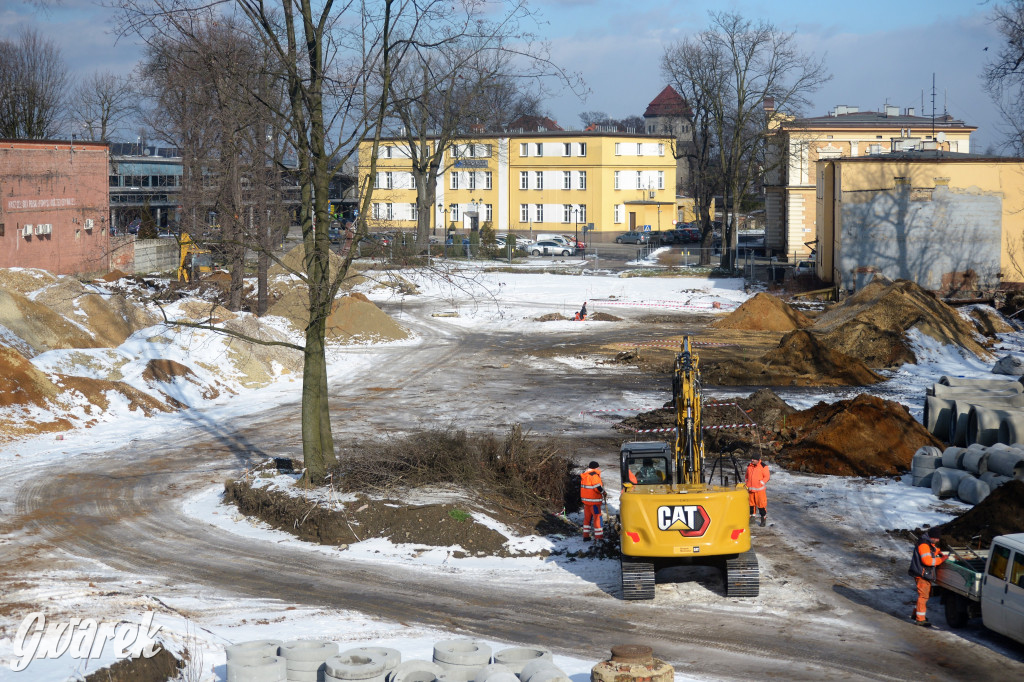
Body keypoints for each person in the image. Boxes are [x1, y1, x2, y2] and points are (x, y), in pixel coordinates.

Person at [908, 528, 949, 627]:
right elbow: (928, 561)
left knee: (923, 595)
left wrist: (938, 552)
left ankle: (916, 614)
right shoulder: (924, 545)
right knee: (923, 596)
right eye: (937, 538)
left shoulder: (926, 543)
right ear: (932, 537)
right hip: (922, 574)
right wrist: (941, 559)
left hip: (922, 573)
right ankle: (920, 619)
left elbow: (931, 551)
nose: (938, 540)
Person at [579, 461, 605, 541]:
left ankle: (586, 536)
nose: (599, 468)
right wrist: (603, 492)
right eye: (598, 467)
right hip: (594, 502)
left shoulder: (585, 475)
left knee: (587, 519)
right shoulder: (594, 475)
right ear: (596, 467)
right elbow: (597, 487)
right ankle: (599, 538)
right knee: (597, 519)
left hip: (586, 502)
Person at [745, 455, 770, 527]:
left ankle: (763, 519)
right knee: (751, 505)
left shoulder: (763, 466)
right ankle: (752, 519)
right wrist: (747, 483)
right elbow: (746, 476)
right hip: (750, 490)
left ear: (758, 460)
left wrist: (761, 483)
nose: (752, 460)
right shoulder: (749, 466)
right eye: (751, 458)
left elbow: (767, 477)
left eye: (754, 459)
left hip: (760, 491)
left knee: (761, 505)